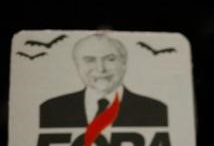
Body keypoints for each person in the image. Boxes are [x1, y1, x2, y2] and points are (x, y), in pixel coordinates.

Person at [39, 33, 168, 128]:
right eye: (90, 60)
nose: (101, 69)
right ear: (77, 65)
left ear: (124, 63)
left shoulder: (155, 111)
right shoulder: (52, 110)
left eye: (110, 59)